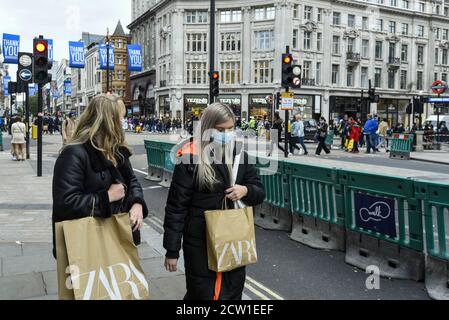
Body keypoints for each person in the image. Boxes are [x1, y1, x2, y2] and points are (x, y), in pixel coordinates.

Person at [163, 103, 265, 300]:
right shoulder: (190, 157)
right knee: (203, 294)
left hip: (233, 238)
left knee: (232, 292)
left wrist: (246, 190)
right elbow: (176, 207)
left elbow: (260, 192)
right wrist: (172, 250)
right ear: (208, 127)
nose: (226, 133)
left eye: (230, 129)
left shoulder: (240, 156)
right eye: (220, 129)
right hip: (200, 242)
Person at [52, 94, 149, 260]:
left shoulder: (117, 150)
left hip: (118, 236)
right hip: (87, 245)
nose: (123, 123)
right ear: (109, 121)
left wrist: (137, 204)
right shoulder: (74, 154)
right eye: (121, 118)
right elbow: (66, 203)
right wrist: (107, 197)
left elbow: (132, 181)